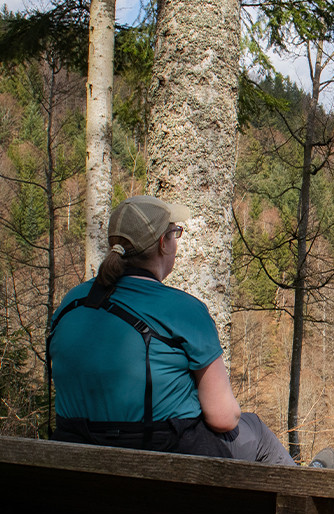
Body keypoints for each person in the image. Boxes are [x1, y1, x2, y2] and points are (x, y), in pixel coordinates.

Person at [49, 195, 295, 465]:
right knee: (255, 430)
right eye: (175, 233)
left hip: (76, 462)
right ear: (163, 244)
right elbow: (223, 417)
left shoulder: (70, 304)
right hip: (163, 464)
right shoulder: (185, 311)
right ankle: (303, 482)